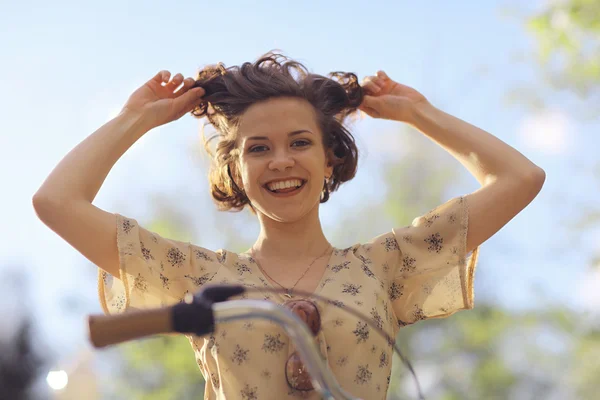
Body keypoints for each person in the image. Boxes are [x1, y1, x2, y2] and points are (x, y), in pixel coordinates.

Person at [33, 52, 545, 399]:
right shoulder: (200, 279)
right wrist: (135, 118)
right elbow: (56, 202)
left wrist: (419, 113)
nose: (280, 160)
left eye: (300, 142)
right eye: (258, 148)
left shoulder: (386, 265)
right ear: (235, 171)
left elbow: (520, 177)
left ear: (329, 161)